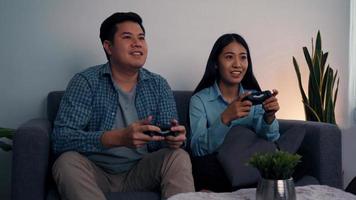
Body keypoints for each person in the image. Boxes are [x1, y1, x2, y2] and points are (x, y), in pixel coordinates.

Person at [51, 12, 194, 200]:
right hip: (95, 171)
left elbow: (169, 134)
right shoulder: (85, 82)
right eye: (127, 37)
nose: (137, 43)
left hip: (141, 171)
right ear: (108, 47)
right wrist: (117, 138)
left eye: (141, 38)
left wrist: (174, 139)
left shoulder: (158, 84)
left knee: (178, 156)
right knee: (65, 162)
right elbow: (61, 139)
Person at [189, 33, 280, 191]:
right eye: (229, 57)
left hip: (249, 163)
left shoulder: (254, 96)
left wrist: (269, 117)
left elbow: (270, 138)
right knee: (200, 166)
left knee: (294, 158)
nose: (238, 64)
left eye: (243, 57)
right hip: (217, 166)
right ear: (216, 63)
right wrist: (226, 118)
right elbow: (197, 149)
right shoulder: (199, 100)